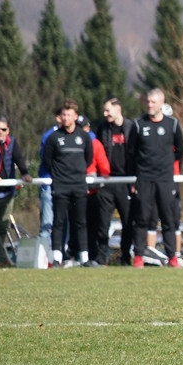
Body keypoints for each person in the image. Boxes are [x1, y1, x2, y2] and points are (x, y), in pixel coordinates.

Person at [126, 89, 183, 268]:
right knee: (142, 218)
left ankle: (172, 257)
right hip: (144, 179)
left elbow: (180, 150)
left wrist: (167, 166)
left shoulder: (172, 124)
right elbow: (131, 152)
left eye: (153, 102)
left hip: (165, 179)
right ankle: (138, 256)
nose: (150, 105)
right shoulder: (138, 125)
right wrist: (134, 179)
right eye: (148, 102)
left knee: (168, 218)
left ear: (161, 103)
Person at [42, 100, 94, 267]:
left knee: (80, 222)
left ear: (75, 117)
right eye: (64, 115)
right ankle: (57, 258)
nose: (66, 118)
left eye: (69, 115)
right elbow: (47, 160)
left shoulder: (84, 137)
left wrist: (77, 172)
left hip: (79, 185)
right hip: (61, 186)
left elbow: (88, 158)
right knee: (58, 221)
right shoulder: (54, 137)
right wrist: (60, 174)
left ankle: (84, 258)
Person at [0, 116, 32, 267]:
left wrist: (25, 173)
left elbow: (19, 158)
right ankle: (2, 258)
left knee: (3, 226)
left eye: (3, 129)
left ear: (8, 130)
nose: (0, 132)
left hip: (7, 193)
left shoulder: (12, 142)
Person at [96, 97, 135, 265]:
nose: (105, 114)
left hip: (126, 182)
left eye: (108, 110)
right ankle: (101, 258)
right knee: (103, 223)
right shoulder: (103, 129)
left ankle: (125, 257)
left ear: (118, 109)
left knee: (128, 223)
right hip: (107, 183)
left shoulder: (132, 127)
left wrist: (134, 181)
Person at [81, 114, 110, 266]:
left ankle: (99, 258)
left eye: (83, 128)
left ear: (88, 128)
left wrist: (101, 180)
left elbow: (104, 166)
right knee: (81, 226)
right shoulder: (72, 142)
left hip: (94, 191)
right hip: (77, 190)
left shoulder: (95, 144)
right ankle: (83, 257)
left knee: (98, 226)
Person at [37, 108, 62, 240]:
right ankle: (45, 248)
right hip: (49, 182)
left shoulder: (75, 134)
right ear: (58, 117)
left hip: (66, 183)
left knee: (65, 221)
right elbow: (46, 159)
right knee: (47, 222)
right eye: (63, 115)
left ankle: (63, 250)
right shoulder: (49, 136)